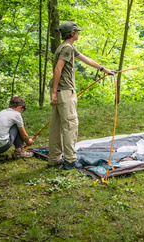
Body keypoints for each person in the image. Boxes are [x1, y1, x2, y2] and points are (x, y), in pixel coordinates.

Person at [49, 20, 116, 170]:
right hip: (64, 91)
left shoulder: (67, 47)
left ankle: (54, 159)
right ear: (72, 33)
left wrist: (104, 69)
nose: (79, 33)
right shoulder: (67, 48)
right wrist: (55, 92)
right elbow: (58, 69)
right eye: (77, 31)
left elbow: (87, 59)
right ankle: (70, 161)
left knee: (56, 125)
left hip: (60, 92)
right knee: (70, 125)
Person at [0, 95, 34, 161]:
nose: (21, 113)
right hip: (1, 146)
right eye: (22, 110)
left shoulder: (0, 113)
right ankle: (19, 152)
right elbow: (24, 135)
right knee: (17, 125)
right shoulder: (16, 115)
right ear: (20, 107)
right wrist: (28, 142)